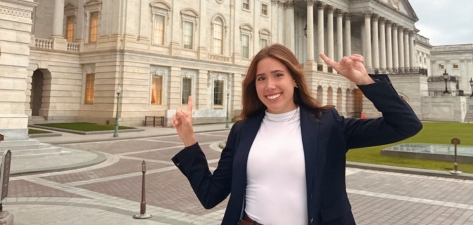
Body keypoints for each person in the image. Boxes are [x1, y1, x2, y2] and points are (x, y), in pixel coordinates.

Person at [170, 44, 422, 225]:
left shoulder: (328, 124)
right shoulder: (242, 130)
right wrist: (189, 140)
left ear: (294, 79)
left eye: (278, 75)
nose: (269, 85)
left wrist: (364, 81)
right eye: (261, 78)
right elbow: (211, 195)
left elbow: (405, 125)